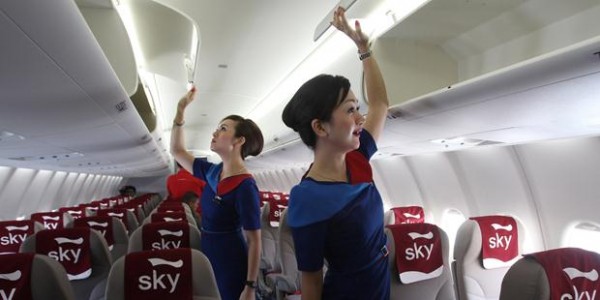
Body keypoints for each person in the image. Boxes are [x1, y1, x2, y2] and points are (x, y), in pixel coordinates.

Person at [281, 7, 390, 299]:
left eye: (358, 107)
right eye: (350, 110)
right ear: (320, 127)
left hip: (380, 285)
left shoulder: (357, 158)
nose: (361, 117)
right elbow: (312, 283)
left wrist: (363, 48)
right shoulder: (307, 197)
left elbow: (380, 105)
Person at [171, 86, 263, 300]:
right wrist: (180, 111)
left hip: (231, 259)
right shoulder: (212, 171)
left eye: (223, 128)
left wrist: (250, 287)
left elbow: (254, 241)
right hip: (208, 251)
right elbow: (177, 151)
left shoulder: (245, 186)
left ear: (239, 141)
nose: (215, 132)